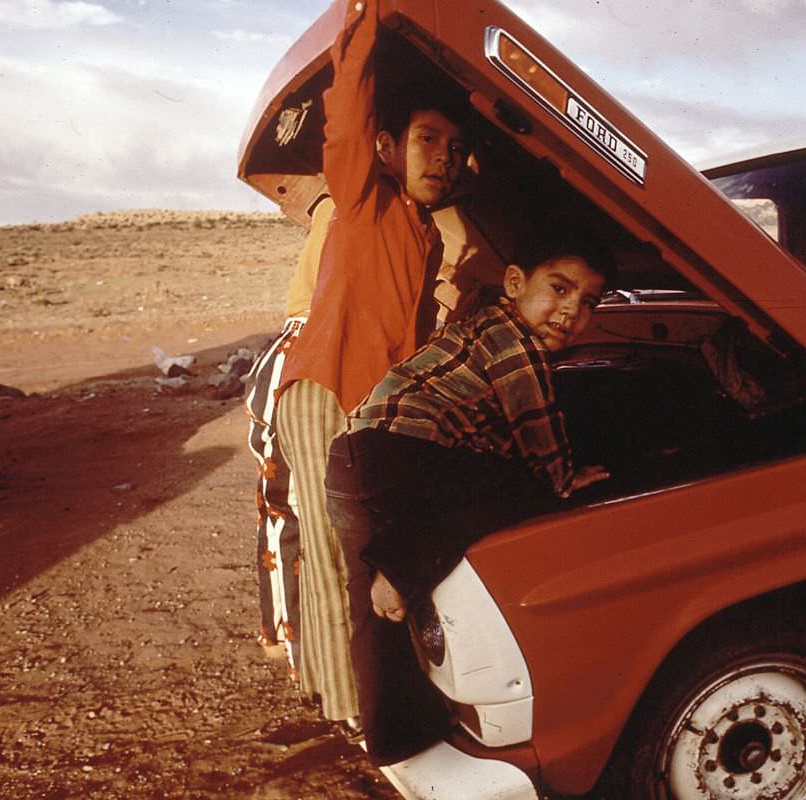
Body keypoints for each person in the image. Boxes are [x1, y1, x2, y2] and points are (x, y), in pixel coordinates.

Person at [324, 241, 614, 777]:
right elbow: (540, 443)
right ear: (513, 284)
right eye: (559, 288)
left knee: (378, 615)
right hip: (403, 457)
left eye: (591, 301)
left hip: (353, 459)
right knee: (524, 490)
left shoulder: (478, 325)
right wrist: (565, 478)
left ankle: (395, 738)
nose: (573, 311)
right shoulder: (515, 344)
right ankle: (402, 561)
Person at [274, 0, 472, 729]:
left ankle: (357, 702)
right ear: (387, 147)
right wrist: (365, 20)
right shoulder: (365, 197)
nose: (442, 157)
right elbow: (347, 112)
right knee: (340, 567)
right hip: (327, 390)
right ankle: (353, 714)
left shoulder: (425, 237)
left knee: (359, 564)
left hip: (360, 405)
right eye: (427, 139)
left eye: (454, 147)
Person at [245, 193, 334, 682]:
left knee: (282, 509)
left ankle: (282, 637)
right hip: (301, 355)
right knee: (289, 511)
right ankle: (289, 643)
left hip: (296, 353)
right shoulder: (347, 203)